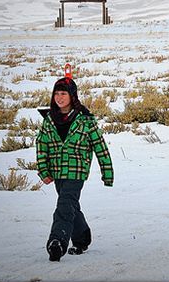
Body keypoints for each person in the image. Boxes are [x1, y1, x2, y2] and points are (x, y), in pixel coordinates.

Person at [36, 77, 114, 262]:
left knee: (64, 204)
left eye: (63, 93)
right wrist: (44, 171)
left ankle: (57, 241)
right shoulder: (49, 120)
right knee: (70, 205)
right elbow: (42, 145)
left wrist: (107, 173)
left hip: (76, 171)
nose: (59, 97)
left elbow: (100, 146)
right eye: (56, 93)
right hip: (57, 171)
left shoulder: (85, 120)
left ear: (72, 96)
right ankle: (82, 238)